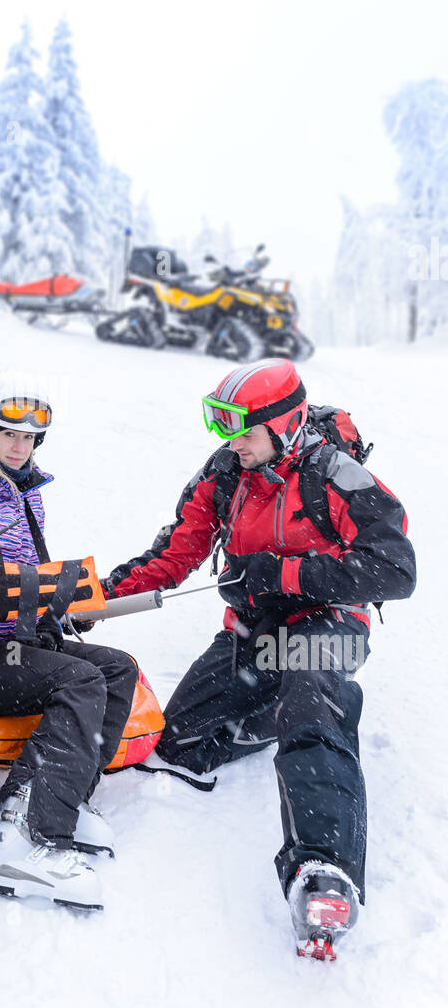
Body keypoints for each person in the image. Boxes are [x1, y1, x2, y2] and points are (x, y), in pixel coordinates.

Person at [104, 358, 416, 959]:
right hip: (254, 632)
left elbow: (396, 569)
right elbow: (175, 553)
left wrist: (285, 574)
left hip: (327, 625)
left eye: (243, 430)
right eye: (224, 429)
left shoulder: (335, 474)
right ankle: (278, 708)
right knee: (179, 743)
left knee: (312, 706)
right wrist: (98, 598)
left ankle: (324, 870)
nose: (231, 443)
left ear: (285, 424)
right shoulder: (225, 472)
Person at [0, 371, 139, 911]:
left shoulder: (25, 494)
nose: (21, 447)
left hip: (9, 640)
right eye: (9, 435)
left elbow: (23, 583)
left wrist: (60, 605)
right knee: (80, 681)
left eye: (31, 438)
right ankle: (23, 837)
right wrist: (34, 590)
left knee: (116, 670)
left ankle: (64, 791)